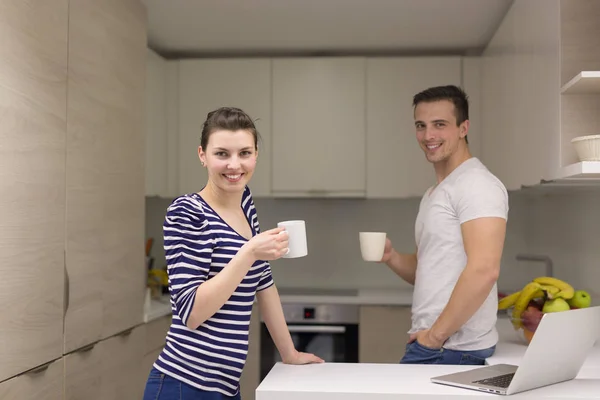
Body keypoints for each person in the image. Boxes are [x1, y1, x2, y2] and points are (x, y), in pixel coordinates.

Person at [142, 107, 324, 399]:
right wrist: (249, 252)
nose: (234, 165)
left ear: (256, 156)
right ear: (202, 155)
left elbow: (263, 283)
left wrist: (289, 353)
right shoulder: (187, 212)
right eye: (222, 154)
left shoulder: (245, 203)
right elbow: (190, 313)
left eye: (244, 153)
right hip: (183, 385)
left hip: (225, 388)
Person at [380, 85, 509, 365]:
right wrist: (391, 257)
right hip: (435, 344)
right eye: (421, 125)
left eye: (440, 125)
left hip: (451, 348)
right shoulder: (435, 193)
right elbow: (428, 270)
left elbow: (484, 270)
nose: (428, 136)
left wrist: (434, 337)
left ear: (464, 128)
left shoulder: (477, 185)